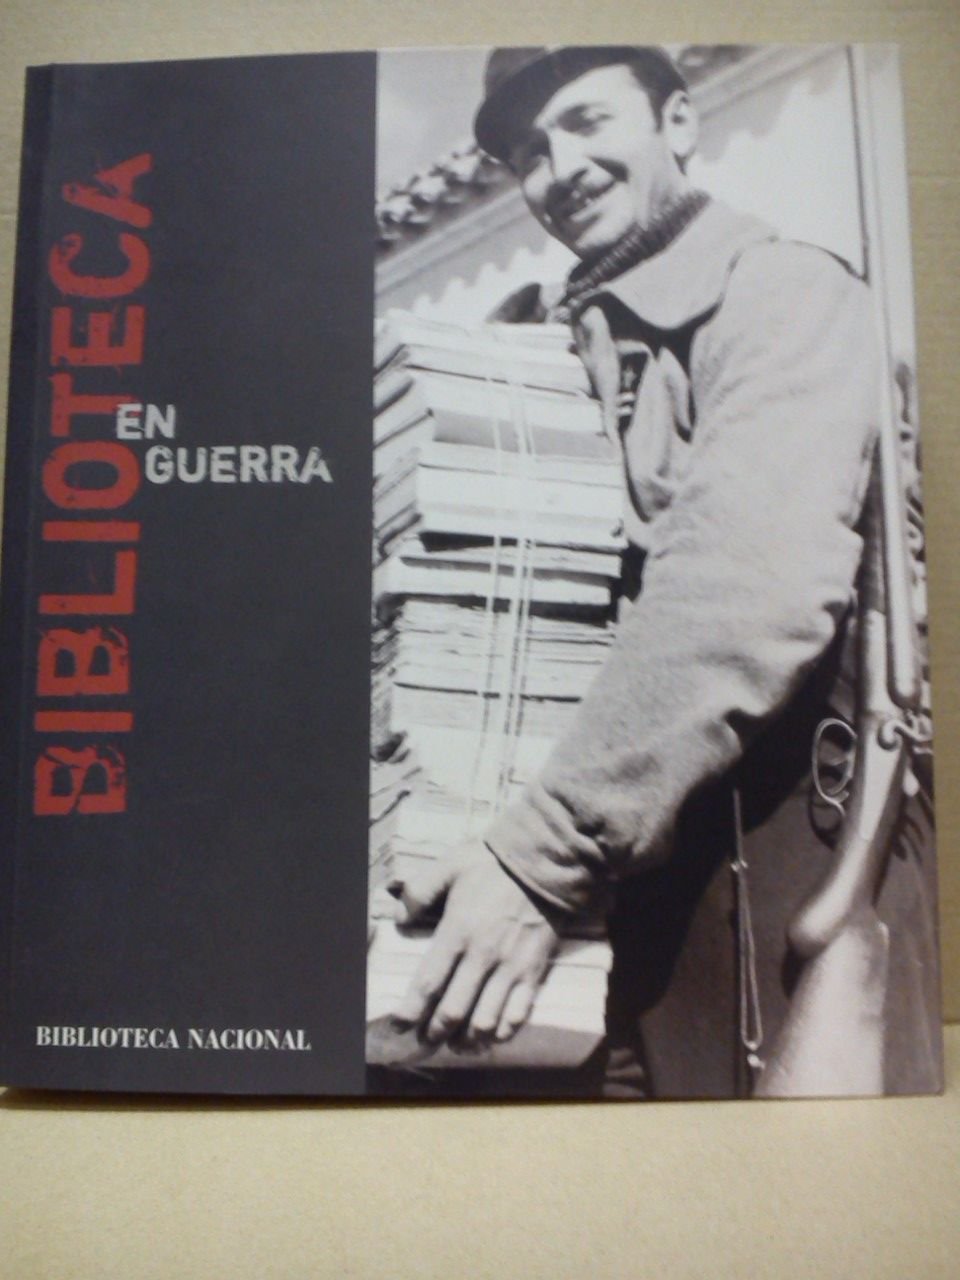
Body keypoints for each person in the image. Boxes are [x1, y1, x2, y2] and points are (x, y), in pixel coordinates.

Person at [386, 46, 940, 1098]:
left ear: (677, 123)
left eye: (589, 122)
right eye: (530, 154)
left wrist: (541, 854)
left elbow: (746, 588)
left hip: (773, 866)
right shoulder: (541, 348)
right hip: (586, 905)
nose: (563, 169)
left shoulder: (782, 292)